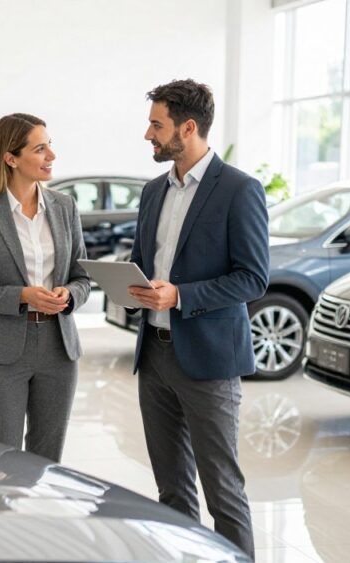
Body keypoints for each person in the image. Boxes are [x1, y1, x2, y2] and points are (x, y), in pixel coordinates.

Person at [126, 79, 268, 559]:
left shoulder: (239, 190)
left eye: (156, 125)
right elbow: (143, 263)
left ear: (188, 128)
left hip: (209, 361)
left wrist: (181, 296)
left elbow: (252, 278)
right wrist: (128, 287)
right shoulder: (152, 192)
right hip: (155, 357)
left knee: (223, 493)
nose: (148, 135)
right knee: (172, 492)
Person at [0, 113, 91, 463]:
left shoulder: (65, 208)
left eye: (50, 147)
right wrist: (22, 296)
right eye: (40, 149)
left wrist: (69, 295)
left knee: (48, 463)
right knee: (1, 461)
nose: (52, 157)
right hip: (0, 353)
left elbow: (82, 277)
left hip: (59, 351)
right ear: (11, 158)